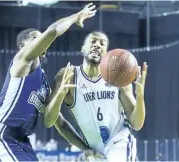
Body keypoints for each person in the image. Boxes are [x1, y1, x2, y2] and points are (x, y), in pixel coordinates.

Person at [0, 3, 97, 161]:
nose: (42, 40)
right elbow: (53, 31)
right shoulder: (21, 61)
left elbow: (57, 123)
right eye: (36, 38)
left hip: (22, 142)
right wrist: (75, 17)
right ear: (23, 46)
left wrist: (85, 148)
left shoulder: (44, 84)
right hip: (1, 136)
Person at [44, 31, 148, 161]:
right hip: (95, 153)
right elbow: (49, 121)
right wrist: (60, 95)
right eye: (93, 41)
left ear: (107, 53)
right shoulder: (68, 76)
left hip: (119, 142)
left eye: (102, 43)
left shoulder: (118, 78)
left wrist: (140, 95)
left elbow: (137, 124)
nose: (97, 45)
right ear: (83, 48)